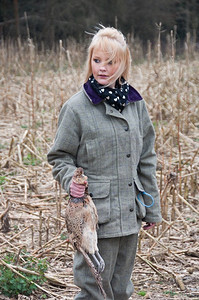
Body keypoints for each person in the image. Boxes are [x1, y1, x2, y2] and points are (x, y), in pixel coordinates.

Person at [47, 25, 162, 300]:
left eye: (111, 62)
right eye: (97, 60)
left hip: (130, 212)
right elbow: (59, 157)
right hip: (93, 217)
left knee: (121, 289)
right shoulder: (76, 108)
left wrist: (152, 209)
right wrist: (71, 183)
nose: (103, 68)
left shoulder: (136, 105)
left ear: (123, 64)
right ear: (90, 61)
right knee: (94, 289)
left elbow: (146, 158)